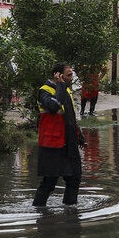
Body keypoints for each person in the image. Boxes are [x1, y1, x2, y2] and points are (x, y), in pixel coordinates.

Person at [32, 63, 86, 207]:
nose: (71, 78)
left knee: (74, 179)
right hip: (52, 144)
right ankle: (39, 212)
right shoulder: (44, 91)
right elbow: (54, 106)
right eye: (69, 75)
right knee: (49, 183)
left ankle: (70, 212)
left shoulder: (66, 90)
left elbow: (69, 116)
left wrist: (78, 134)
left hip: (69, 143)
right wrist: (61, 86)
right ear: (58, 75)